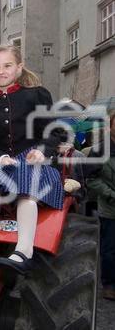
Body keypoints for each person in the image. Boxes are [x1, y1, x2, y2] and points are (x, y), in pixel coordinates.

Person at [0, 45, 63, 274]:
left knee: (26, 196)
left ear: (19, 68)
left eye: (7, 65)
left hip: (33, 159)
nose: (1, 71)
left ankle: (24, 251)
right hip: (1, 161)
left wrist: (42, 151)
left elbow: (54, 132)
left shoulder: (37, 95)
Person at [86, 110, 115, 301]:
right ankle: (109, 284)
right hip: (111, 208)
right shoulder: (100, 150)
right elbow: (91, 178)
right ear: (110, 126)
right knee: (110, 249)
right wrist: (111, 194)